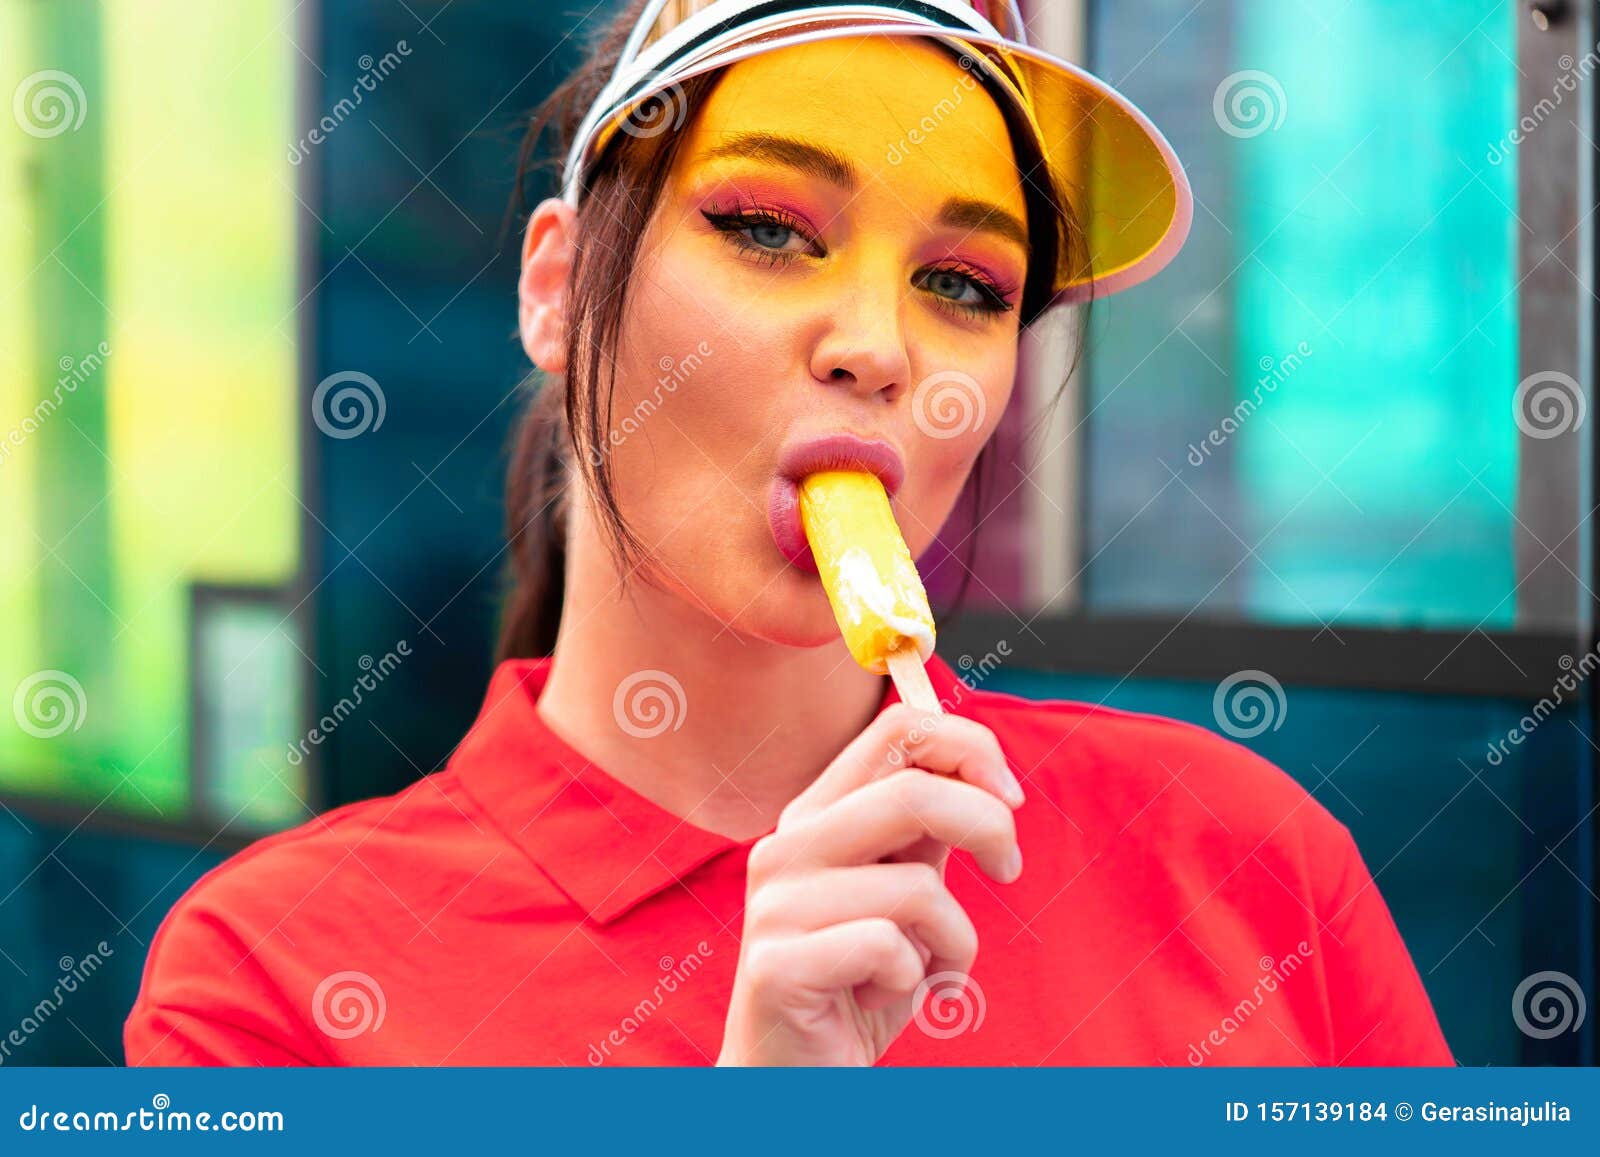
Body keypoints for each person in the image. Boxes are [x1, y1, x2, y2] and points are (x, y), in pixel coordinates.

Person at [125, 0, 1454, 1066]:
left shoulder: (1243, 855)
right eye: (767, 227)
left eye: (964, 282)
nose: (880, 347)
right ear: (556, 286)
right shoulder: (270, 981)